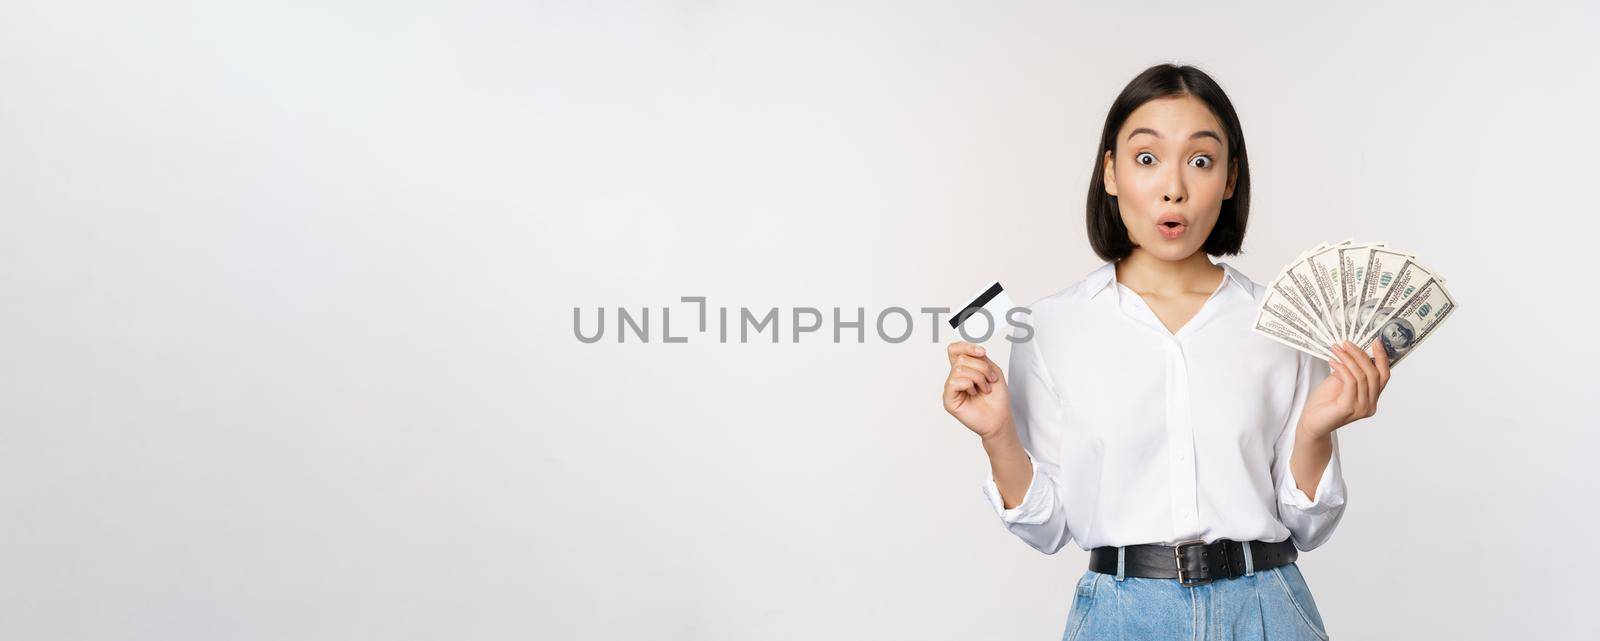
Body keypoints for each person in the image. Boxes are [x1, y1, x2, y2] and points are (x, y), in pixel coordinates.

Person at [941, 64, 1391, 641]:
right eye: (1147, 159)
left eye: (1201, 160)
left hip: (1265, 610)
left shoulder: (1281, 323)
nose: (1173, 187)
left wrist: (1316, 432)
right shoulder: (1053, 325)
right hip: (1122, 617)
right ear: (1110, 172)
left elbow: (1308, 525)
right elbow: (1048, 528)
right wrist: (997, 434)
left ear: (1230, 180)